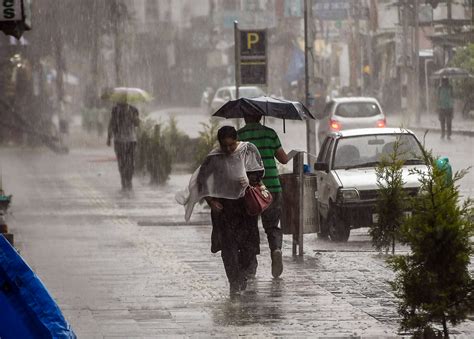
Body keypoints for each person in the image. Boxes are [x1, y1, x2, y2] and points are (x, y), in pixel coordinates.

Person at [176, 126, 265, 295]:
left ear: (236, 140)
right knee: (228, 246)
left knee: (248, 246)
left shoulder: (247, 151)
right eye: (225, 146)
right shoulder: (215, 157)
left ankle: (243, 273)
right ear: (220, 144)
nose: (229, 149)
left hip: (245, 207)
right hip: (224, 209)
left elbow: (259, 172)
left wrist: (248, 180)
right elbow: (201, 180)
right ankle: (234, 280)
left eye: (232, 145)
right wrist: (211, 201)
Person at [237, 113, 290, 279]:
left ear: (245, 117)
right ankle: (276, 249)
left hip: (250, 188)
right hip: (272, 187)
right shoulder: (270, 133)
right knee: (272, 225)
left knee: (250, 228)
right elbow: (283, 159)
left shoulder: (240, 135)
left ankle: (251, 267)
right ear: (261, 116)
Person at [106, 101, 140, 191]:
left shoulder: (133, 110)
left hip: (131, 140)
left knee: (131, 162)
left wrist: (133, 118)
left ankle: (129, 179)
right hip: (119, 141)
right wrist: (109, 137)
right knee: (121, 162)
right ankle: (123, 179)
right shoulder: (115, 111)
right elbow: (111, 124)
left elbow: (138, 124)